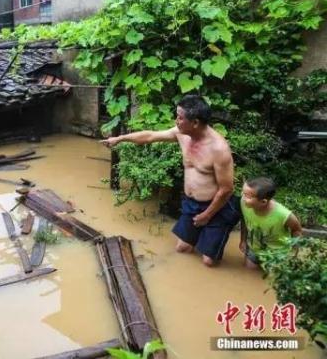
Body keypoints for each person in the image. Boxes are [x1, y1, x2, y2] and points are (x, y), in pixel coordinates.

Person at [100, 95, 240, 267]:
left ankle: (211, 237)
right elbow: (150, 136)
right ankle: (202, 235)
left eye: (180, 118)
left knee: (208, 262)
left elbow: (226, 189)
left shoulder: (219, 149)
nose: (176, 121)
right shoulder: (182, 134)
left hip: (217, 207)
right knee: (182, 249)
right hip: (192, 204)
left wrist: (206, 215)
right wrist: (119, 139)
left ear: (195, 123)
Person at [239, 177, 302, 269]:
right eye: (243, 193)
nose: (243, 197)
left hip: (277, 254)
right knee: (248, 273)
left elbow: (297, 230)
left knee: (273, 279)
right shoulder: (244, 203)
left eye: (247, 196)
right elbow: (244, 220)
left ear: (263, 202)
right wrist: (243, 240)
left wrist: (294, 253)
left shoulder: (284, 215)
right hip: (254, 249)